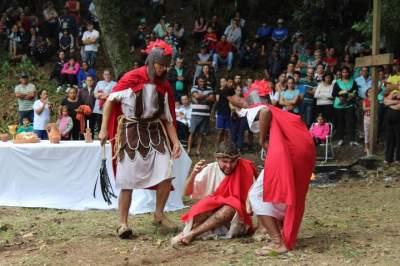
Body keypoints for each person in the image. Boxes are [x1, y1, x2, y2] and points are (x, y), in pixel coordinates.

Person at [98, 40, 182, 238]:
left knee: (166, 174)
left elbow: (168, 118)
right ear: (151, 62)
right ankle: (122, 223)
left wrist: (176, 141)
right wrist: (103, 129)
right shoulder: (131, 78)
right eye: (160, 65)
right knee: (127, 181)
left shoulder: (164, 85)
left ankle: (159, 215)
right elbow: (110, 101)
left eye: (166, 67)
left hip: (154, 132)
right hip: (131, 131)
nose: (163, 70)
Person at [171, 141, 257, 246]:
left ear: (237, 159)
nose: (229, 166)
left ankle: (192, 233)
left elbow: (253, 200)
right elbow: (186, 192)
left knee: (231, 206)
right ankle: (187, 233)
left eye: (232, 161)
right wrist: (194, 174)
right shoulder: (210, 169)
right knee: (206, 205)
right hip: (211, 215)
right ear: (217, 159)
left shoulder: (245, 168)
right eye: (224, 161)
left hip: (235, 219)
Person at [332, 67, 359, 146]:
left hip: (349, 104)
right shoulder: (337, 82)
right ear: (341, 73)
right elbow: (333, 94)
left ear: (349, 73)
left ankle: (352, 139)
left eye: (346, 72)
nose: (345, 74)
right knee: (340, 122)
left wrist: (353, 95)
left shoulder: (353, 82)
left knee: (351, 122)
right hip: (339, 105)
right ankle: (341, 139)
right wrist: (340, 94)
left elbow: (356, 92)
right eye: (343, 72)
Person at [188, 76, 215, 156]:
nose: (202, 83)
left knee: (201, 133)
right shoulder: (194, 87)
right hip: (195, 114)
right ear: (197, 81)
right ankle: (189, 150)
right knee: (192, 132)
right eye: (200, 81)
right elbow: (196, 96)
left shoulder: (209, 88)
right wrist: (207, 96)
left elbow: (212, 99)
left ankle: (198, 151)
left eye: (203, 81)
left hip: (205, 114)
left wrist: (200, 97)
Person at [93, 70, 116, 135]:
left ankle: (108, 138)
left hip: (108, 107)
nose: (107, 76)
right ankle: (99, 137)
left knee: (108, 123)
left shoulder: (114, 84)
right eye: (105, 74)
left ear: (110, 75)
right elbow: (95, 93)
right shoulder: (99, 83)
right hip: (98, 107)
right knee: (99, 124)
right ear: (103, 75)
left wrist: (105, 95)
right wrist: (101, 95)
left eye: (108, 74)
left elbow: (113, 94)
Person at [383, 88, 400, 163]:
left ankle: (398, 158)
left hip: (398, 120)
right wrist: (396, 101)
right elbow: (386, 102)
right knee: (389, 139)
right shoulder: (393, 92)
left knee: (399, 139)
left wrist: (391, 104)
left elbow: (399, 107)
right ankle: (388, 158)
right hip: (389, 120)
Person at [216, 77, 234, 144]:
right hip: (221, 112)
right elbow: (217, 100)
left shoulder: (230, 90)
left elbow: (233, 97)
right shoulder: (219, 91)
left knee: (227, 131)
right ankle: (217, 147)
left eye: (224, 81)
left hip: (228, 113)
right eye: (221, 81)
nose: (222, 83)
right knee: (220, 131)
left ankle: (225, 147)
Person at [363, 89, 372, 155]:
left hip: (374, 118)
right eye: (369, 92)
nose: (371, 93)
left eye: (372, 92)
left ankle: (372, 146)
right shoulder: (365, 100)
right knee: (366, 132)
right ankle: (366, 146)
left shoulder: (375, 100)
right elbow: (364, 108)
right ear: (367, 93)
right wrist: (371, 107)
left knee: (372, 132)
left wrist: (369, 107)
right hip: (367, 117)